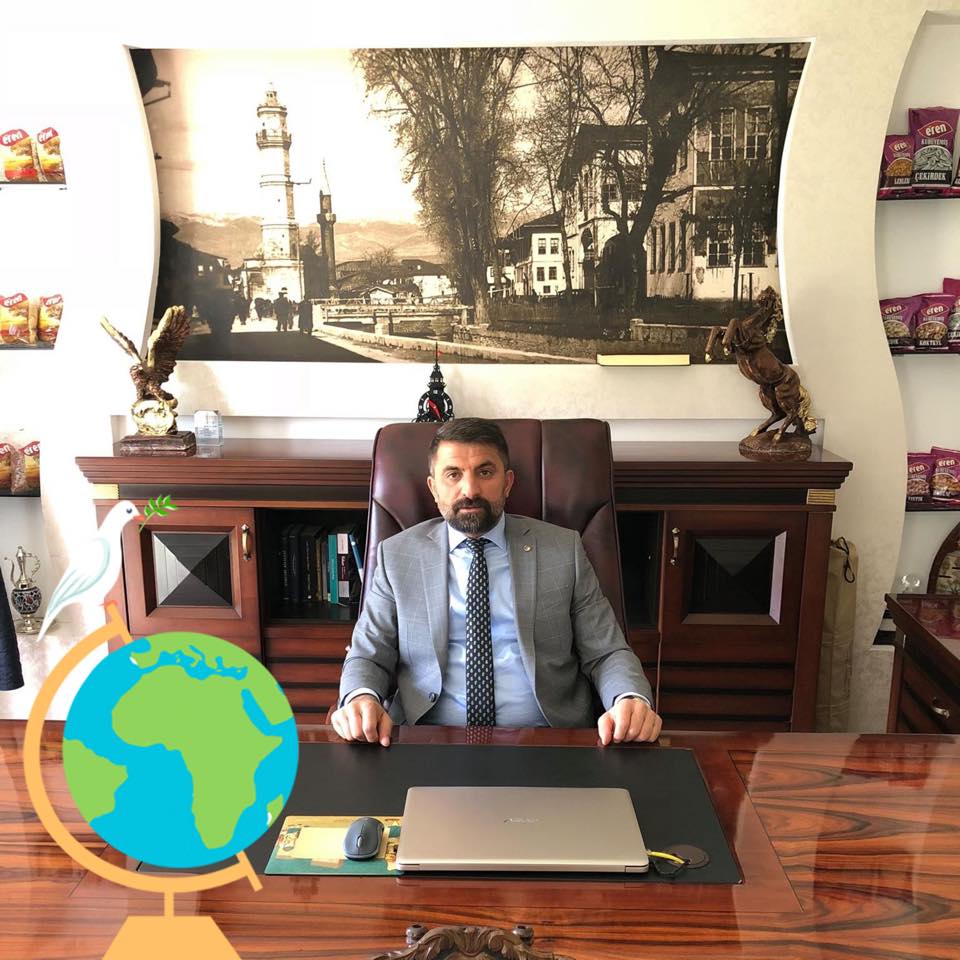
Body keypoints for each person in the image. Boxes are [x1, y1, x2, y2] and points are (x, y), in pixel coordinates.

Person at [332, 418, 661, 748]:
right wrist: (361, 697)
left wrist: (629, 698)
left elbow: (606, 652)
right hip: (428, 739)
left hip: (546, 740)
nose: (470, 490)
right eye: (453, 474)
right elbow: (369, 654)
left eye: (485, 472)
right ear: (433, 487)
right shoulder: (397, 555)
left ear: (508, 482)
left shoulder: (563, 550)